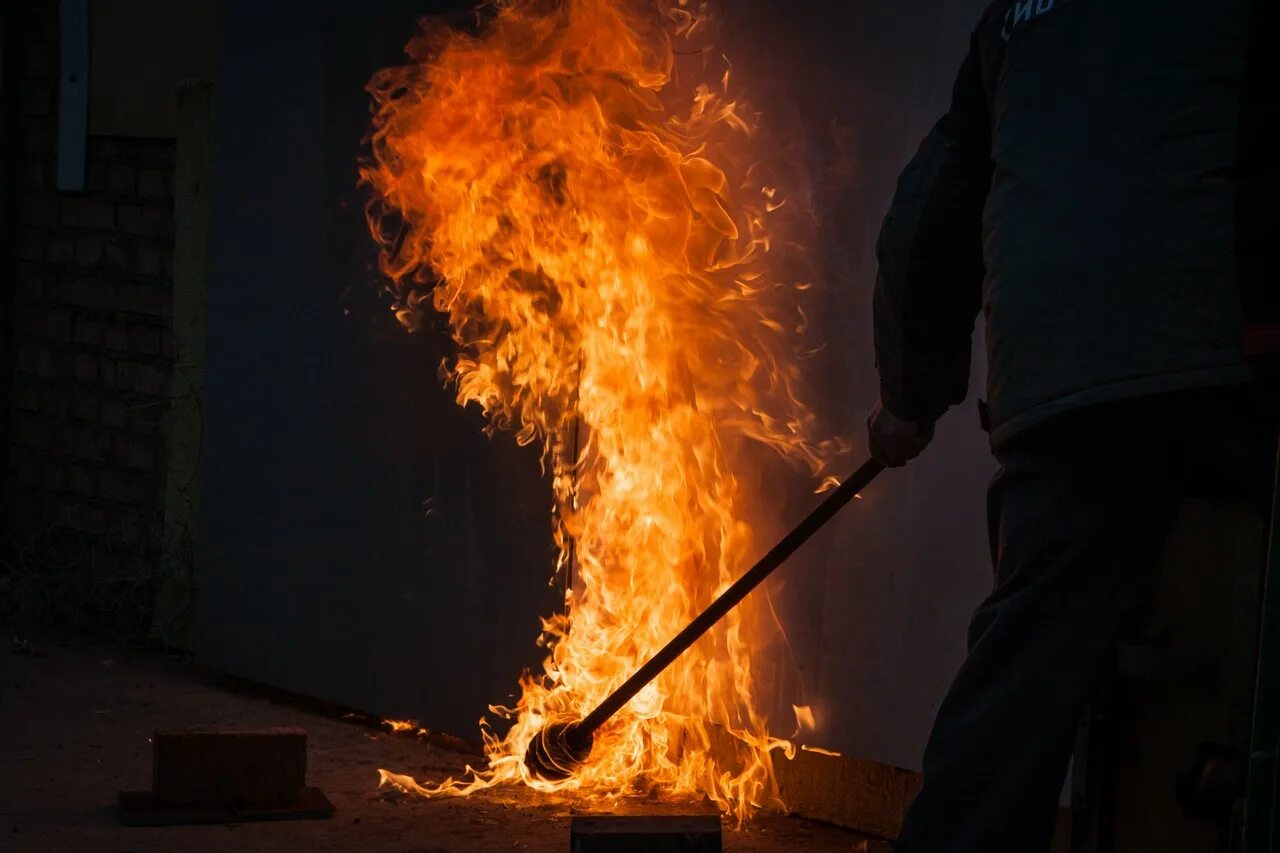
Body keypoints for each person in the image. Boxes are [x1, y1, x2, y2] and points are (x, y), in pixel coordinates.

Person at [867, 0, 1278, 850]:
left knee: (1027, 658)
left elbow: (930, 212)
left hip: (1060, 384)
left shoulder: (1017, 19)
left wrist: (912, 398)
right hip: (1218, 364)